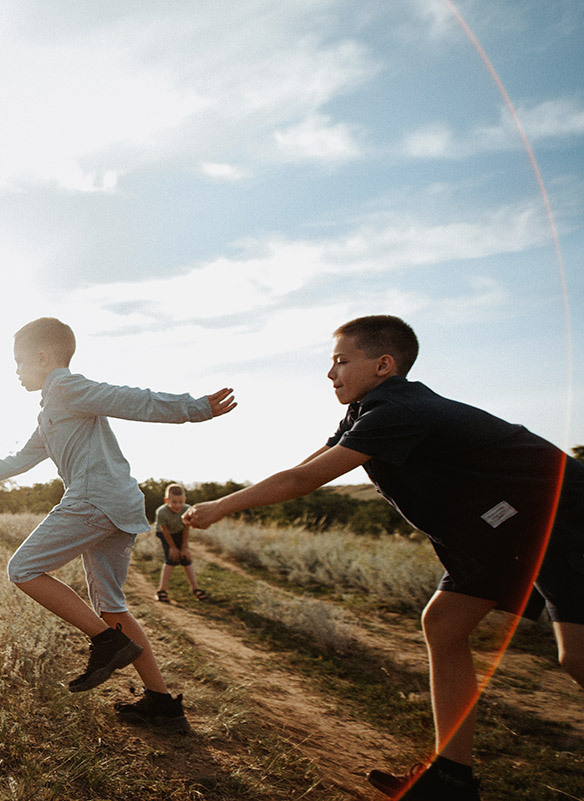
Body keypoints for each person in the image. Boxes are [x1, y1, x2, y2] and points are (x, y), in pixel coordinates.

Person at [185, 314, 584, 801]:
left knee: (576, 656)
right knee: (444, 623)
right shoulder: (365, 413)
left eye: (340, 361)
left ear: (383, 364)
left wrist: (220, 507)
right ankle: (452, 780)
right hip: (503, 530)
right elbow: (303, 466)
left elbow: (301, 483)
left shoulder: (399, 410)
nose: (330, 373)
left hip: (562, 514)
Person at [0, 317, 236, 731]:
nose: (16, 371)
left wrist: (194, 408)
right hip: (120, 506)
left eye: (19, 362)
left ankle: (106, 644)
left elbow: (127, 399)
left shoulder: (64, 387)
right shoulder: (51, 412)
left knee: (22, 569)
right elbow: (18, 462)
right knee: (112, 608)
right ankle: (163, 706)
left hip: (95, 500)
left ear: (43, 357)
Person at [153, 484, 207, 602]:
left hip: (179, 532)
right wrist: (172, 547)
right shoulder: (161, 512)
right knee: (172, 558)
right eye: (174, 502)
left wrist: (184, 548)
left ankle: (196, 589)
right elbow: (165, 530)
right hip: (164, 533)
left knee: (186, 558)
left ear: (185, 500)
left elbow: (186, 529)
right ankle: (162, 590)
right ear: (167, 501)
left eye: (180, 502)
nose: (178, 505)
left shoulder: (187, 509)